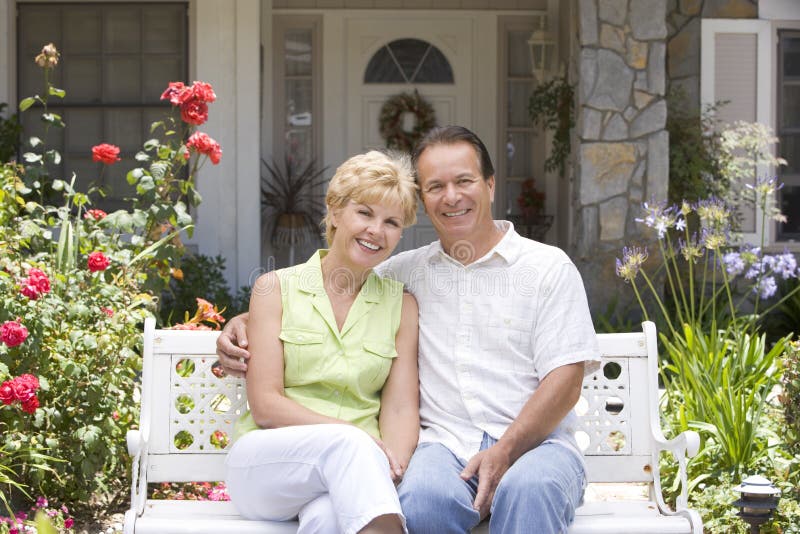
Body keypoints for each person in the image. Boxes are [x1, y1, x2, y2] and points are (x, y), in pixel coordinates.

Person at [219, 126, 601, 534]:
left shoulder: (545, 268)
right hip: (444, 447)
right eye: (435, 186)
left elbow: (566, 379)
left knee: (530, 489)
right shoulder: (405, 273)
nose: (451, 196)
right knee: (422, 501)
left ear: (490, 186)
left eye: (464, 181)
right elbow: (327, 286)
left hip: (536, 447)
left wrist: (504, 451)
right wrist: (243, 322)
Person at [224, 150, 420, 534]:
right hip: (267, 462)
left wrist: (391, 465)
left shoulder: (402, 306)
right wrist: (352, 436)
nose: (376, 231)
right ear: (334, 212)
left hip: (357, 469)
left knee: (329, 520)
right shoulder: (275, 289)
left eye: (392, 222)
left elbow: (399, 410)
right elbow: (265, 405)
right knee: (347, 448)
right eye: (364, 213)